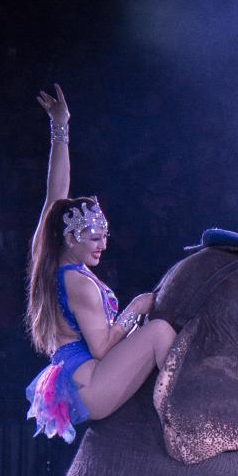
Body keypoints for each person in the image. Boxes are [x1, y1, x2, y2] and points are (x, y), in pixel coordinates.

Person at [25, 85, 176, 443]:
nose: (102, 247)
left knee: (150, 330)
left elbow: (55, 195)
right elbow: (103, 347)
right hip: (91, 383)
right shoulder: (78, 282)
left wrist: (60, 129)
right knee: (159, 332)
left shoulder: (46, 257)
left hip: (82, 376)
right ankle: (183, 413)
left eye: (104, 238)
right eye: (95, 239)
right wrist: (135, 308)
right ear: (72, 237)